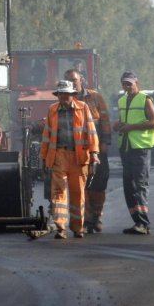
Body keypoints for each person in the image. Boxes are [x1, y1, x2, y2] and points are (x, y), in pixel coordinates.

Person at [39, 80, 100, 239]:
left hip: (79, 157)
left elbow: (91, 132)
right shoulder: (52, 110)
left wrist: (94, 154)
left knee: (77, 193)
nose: (64, 97)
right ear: (57, 95)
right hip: (59, 156)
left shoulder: (83, 108)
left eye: (67, 94)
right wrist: (44, 157)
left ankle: (77, 228)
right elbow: (46, 136)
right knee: (58, 194)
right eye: (61, 94)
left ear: (72, 95)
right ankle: (61, 228)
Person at [64, 69, 111, 234]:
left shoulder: (95, 97)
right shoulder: (65, 99)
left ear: (81, 80)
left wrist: (105, 143)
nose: (72, 83)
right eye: (68, 81)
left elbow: (105, 120)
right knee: (81, 186)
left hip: (96, 148)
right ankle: (85, 219)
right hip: (76, 150)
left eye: (74, 80)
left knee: (99, 183)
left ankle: (97, 217)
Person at [113, 71, 154, 235]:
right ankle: (137, 222)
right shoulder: (121, 100)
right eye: (124, 84)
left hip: (140, 148)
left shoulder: (145, 99)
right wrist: (118, 124)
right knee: (128, 186)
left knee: (140, 185)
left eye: (129, 84)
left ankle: (144, 222)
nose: (127, 87)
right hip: (126, 146)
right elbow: (125, 120)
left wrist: (131, 127)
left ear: (136, 83)